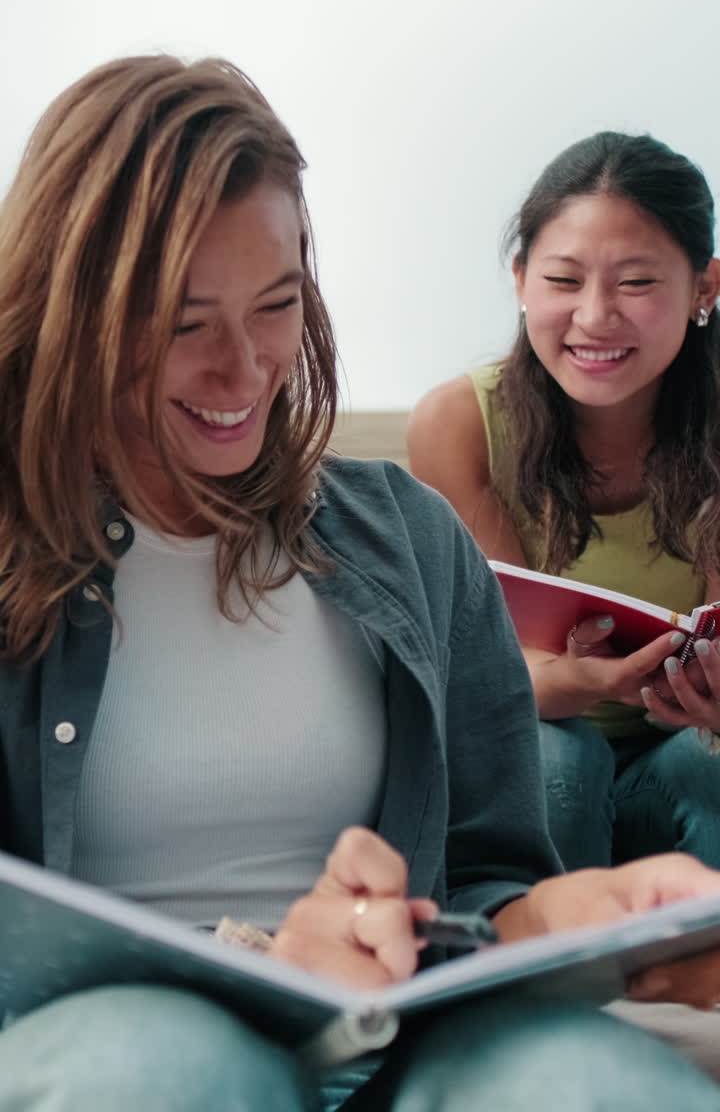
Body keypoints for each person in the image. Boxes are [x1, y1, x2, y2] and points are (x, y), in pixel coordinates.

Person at [1, 67, 720, 1112]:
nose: (246, 370)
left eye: (277, 304)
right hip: (116, 1025)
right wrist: (259, 952)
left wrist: (591, 912)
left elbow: (485, 883)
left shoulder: (409, 541)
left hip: (404, 1032)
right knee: (166, 1073)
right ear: (73, 307)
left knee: (588, 1080)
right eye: (184, 321)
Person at [407, 130, 720, 876]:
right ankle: (550, 973)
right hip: (539, 757)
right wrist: (578, 683)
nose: (596, 317)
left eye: (638, 283)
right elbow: (495, 681)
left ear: (705, 288)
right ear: (520, 279)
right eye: (564, 280)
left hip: (680, 765)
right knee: (555, 759)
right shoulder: (459, 424)